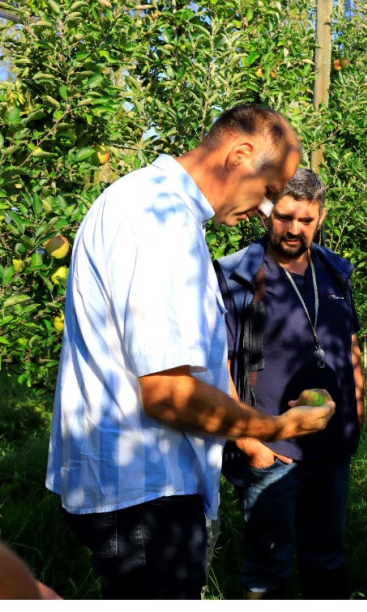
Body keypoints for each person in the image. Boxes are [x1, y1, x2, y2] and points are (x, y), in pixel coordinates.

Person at [45, 104, 335, 599]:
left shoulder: (156, 208)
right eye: (268, 191)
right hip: (144, 494)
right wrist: (274, 428)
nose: (267, 210)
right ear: (239, 154)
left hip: (137, 488)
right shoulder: (161, 222)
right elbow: (167, 394)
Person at [214, 168, 364, 599]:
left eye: (306, 220)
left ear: (321, 217)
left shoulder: (335, 273)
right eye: (284, 217)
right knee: (267, 571)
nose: (294, 229)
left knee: (328, 558)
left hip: (332, 449)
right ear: (266, 213)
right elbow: (219, 361)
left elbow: (348, 345)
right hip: (272, 451)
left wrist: (357, 408)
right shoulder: (239, 276)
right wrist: (250, 443)